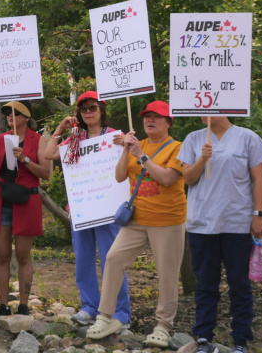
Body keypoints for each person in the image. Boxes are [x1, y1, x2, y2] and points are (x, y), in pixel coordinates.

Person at [87, 101, 185, 347]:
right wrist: (126, 150)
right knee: (113, 258)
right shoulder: (136, 145)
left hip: (167, 221)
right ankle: (106, 316)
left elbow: (166, 178)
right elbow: (120, 176)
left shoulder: (177, 148)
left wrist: (142, 157)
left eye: (157, 117)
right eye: (147, 117)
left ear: (168, 122)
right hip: (137, 220)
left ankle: (164, 326)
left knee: (167, 274)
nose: (150, 120)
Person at [178, 116, 262, 353]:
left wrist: (258, 214)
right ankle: (204, 338)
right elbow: (188, 178)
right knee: (206, 284)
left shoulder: (248, 138)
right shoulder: (193, 139)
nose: (205, 112)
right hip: (202, 223)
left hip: (236, 223)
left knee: (240, 284)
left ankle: (241, 341)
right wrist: (202, 159)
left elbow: (259, 178)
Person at [42, 91, 131, 326]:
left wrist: (128, 145)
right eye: (84, 109)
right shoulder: (75, 138)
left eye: (93, 107)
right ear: (79, 114)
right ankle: (90, 307)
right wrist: (60, 128)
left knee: (112, 259)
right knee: (83, 259)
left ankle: (120, 312)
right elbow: (49, 154)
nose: (88, 112)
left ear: (102, 110)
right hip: (81, 207)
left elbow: (132, 158)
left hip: (108, 208)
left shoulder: (114, 136)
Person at [0, 100, 49, 322]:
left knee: (23, 255)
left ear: (27, 118)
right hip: (2, 201)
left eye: (16, 112)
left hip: (27, 201)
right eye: (6, 112)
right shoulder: (0, 139)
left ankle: (24, 305)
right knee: (2, 255)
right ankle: (3, 305)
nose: (9, 115)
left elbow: (46, 173)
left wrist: (25, 159)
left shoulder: (38, 140)